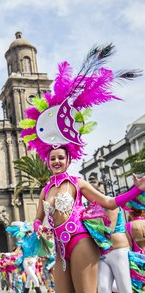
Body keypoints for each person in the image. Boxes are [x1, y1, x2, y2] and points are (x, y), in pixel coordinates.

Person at [18, 44, 144, 293]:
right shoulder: (45, 190)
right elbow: (37, 219)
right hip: (59, 248)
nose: (56, 161)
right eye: (52, 158)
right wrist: (37, 229)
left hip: (80, 241)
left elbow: (109, 203)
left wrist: (134, 190)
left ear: (68, 159)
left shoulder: (78, 183)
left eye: (60, 158)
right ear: (47, 160)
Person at [97, 207, 132, 293]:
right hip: (102, 253)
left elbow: (109, 229)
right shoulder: (91, 208)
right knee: (102, 288)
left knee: (124, 288)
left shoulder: (111, 204)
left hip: (118, 250)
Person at [125, 205, 145, 293]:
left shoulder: (127, 226)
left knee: (139, 288)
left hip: (137, 259)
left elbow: (129, 245)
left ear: (130, 213)